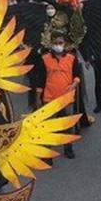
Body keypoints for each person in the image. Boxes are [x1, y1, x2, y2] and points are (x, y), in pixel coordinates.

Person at [32, 31, 82, 159]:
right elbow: (40, 79)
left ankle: (68, 149)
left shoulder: (72, 58)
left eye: (60, 43)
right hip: (49, 99)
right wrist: (38, 99)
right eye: (56, 43)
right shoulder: (44, 59)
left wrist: (74, 84)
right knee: (48, 127)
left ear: (64, 43)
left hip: (67, 99)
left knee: (67, 125)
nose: (58, 45)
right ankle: (47, 154)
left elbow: (77, 75)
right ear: (51, 44)